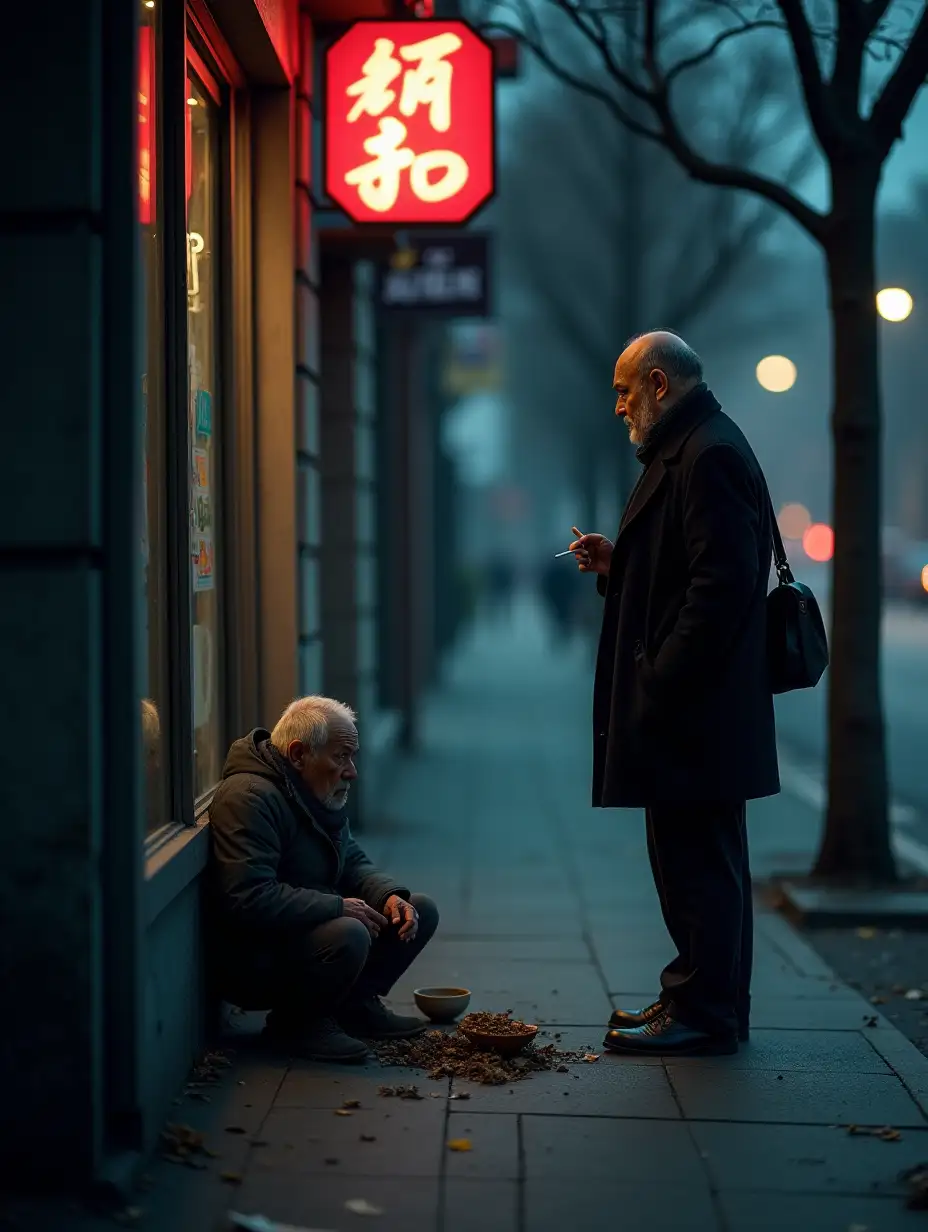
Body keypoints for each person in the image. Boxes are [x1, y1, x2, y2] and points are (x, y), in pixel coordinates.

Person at [569, 330, 779, 1057]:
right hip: (698, 710)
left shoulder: (707, 453)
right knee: (692, 860)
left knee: (698, 865)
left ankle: (704, 1013)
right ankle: (690, 999)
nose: (620, 406)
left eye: (626, 390)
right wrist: (619, 560)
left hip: (696, 711)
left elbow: (720, 590)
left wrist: (661, 678)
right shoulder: (693, 446)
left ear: (659, 383)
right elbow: (689, 565)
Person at [207, 696, 439, 1063]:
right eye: (340, 757)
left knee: (418, 908)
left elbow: (352, 860)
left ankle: (354, 1008)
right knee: (349, 931)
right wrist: (336, 906)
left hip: (301, 935)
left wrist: (389, 896)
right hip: (254, 958)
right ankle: (297, 1024)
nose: (352, 772)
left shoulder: (312, 789)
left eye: (353, 757)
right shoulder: (250, 798)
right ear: (299, 755)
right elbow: (247, 897)